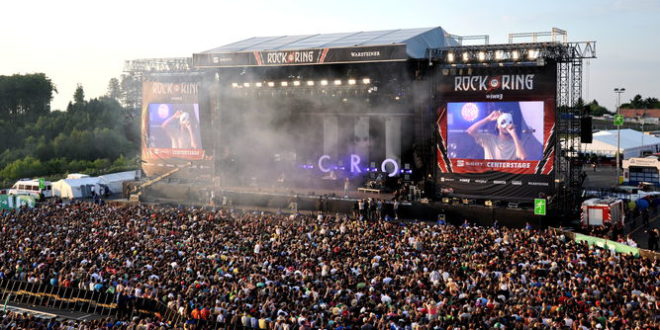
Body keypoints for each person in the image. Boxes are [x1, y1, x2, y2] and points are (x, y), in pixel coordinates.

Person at [465, 105, 542, 161]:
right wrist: (488, 119)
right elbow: (470, 131)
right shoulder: (488, 139)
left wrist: (513, 134)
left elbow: (523, 157)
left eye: (509, 122)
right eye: (503, 122)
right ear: (498, 126)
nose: (506, 125)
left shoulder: (516, 143)